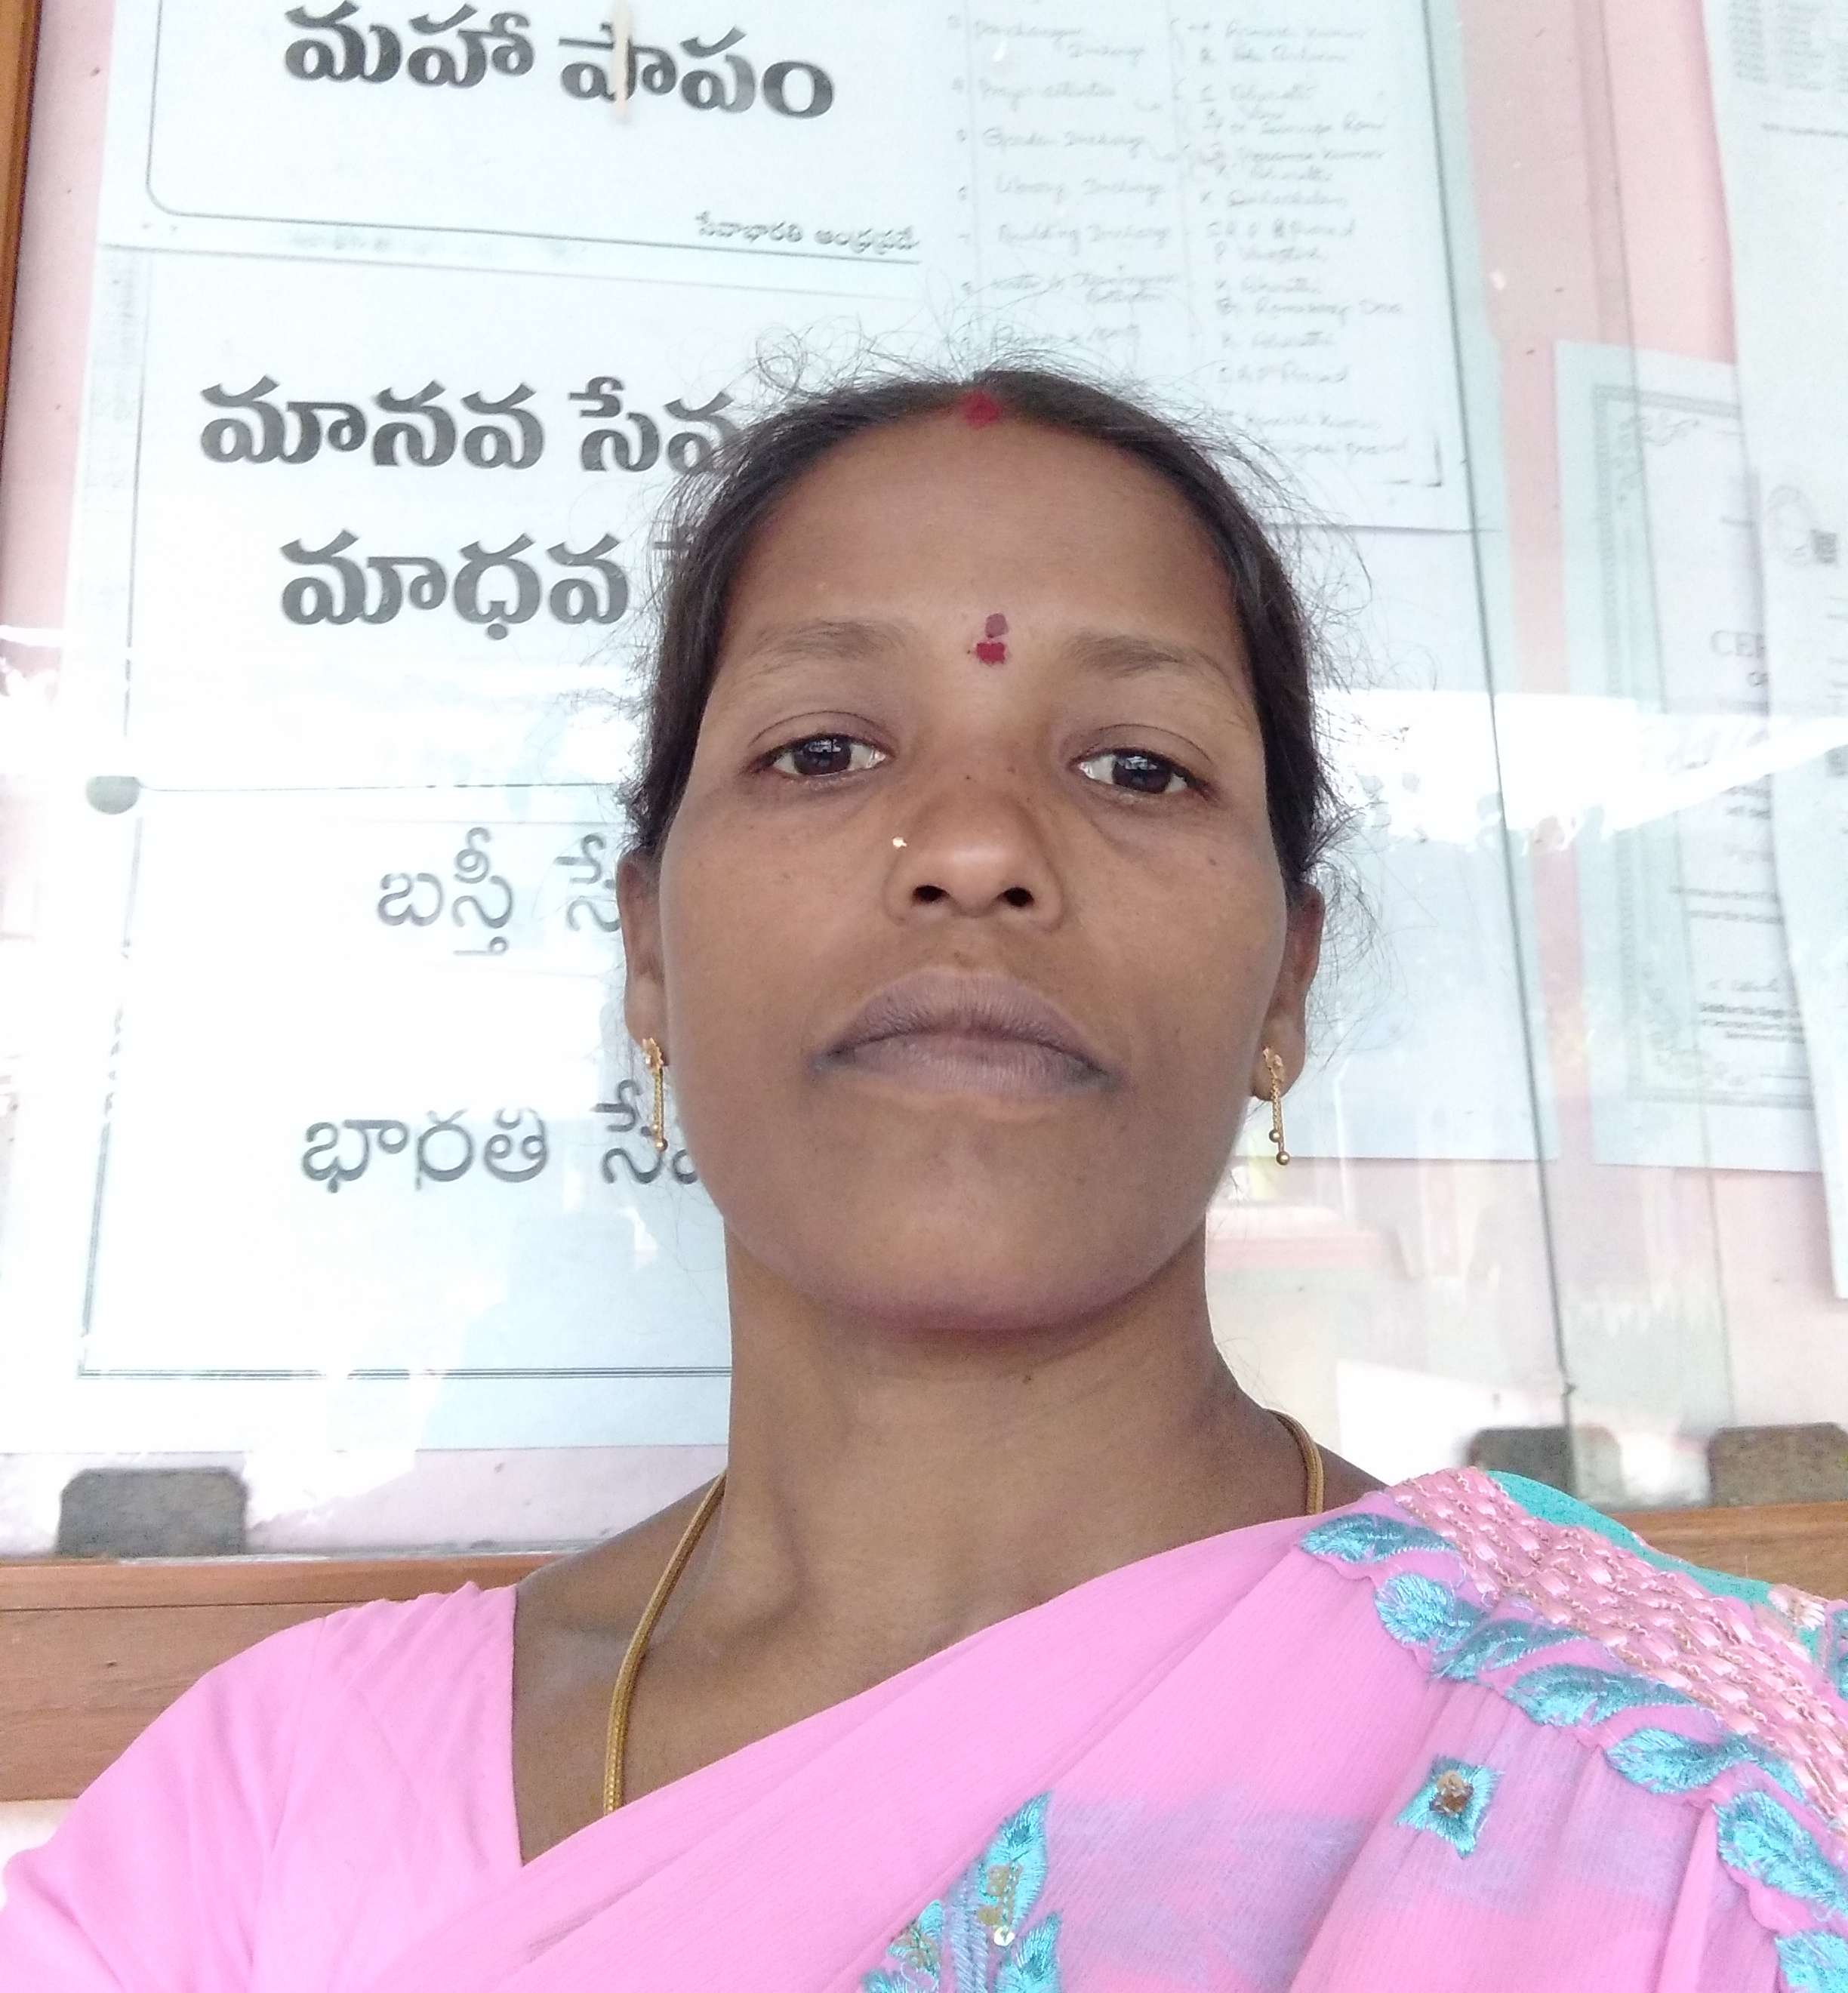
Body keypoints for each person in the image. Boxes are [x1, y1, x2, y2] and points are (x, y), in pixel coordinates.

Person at [4, 364, 1844, 1992]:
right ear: (648, 953)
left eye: (1138, 766)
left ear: (1284, 983)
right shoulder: (264, 1817)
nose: (973, 846)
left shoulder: (1713, 1796)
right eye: (823, 749)